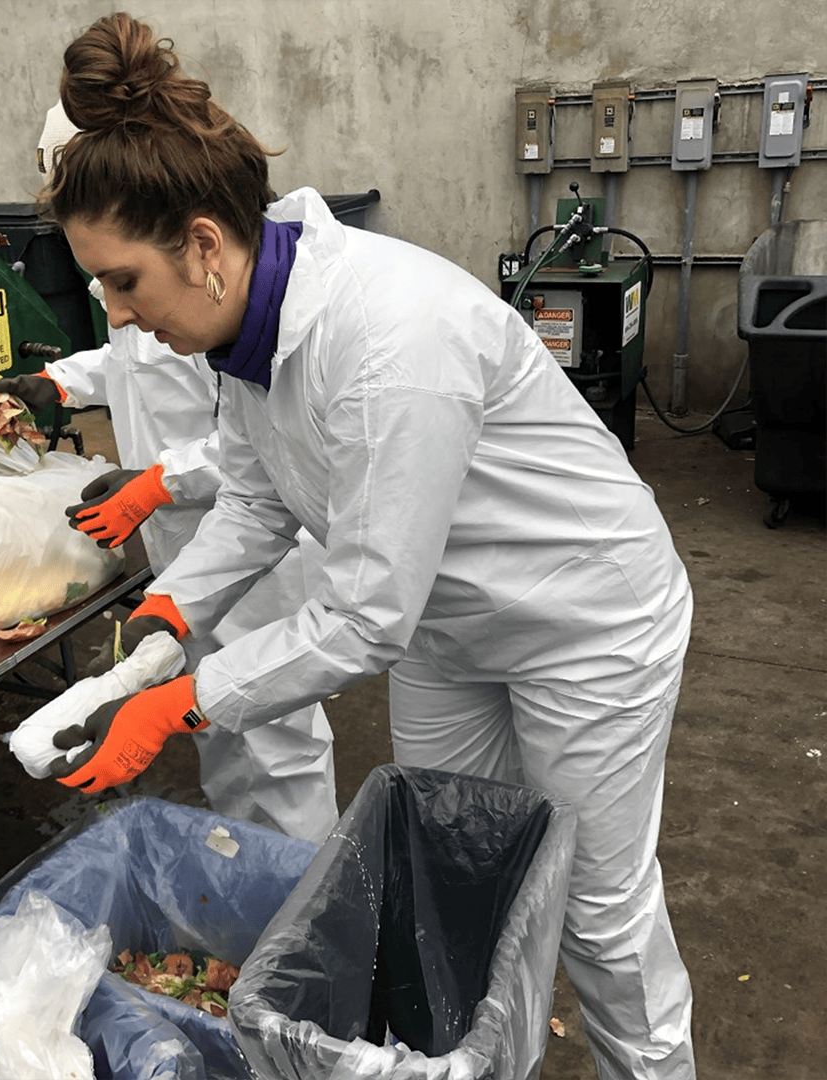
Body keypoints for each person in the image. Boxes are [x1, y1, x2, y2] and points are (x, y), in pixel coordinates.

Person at [36, 12, 696, 1079]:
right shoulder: (245, 325)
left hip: (584, 618)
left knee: (595, 912)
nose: (116, 316)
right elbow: (256, 502)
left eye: (122, 282)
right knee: (437, 877)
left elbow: (362, 612)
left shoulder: (390, 339)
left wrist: (182, 701)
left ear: (203, 245)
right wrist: (170, 614)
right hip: (447, 626)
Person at [0, 104, 339, 848]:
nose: (116, 306)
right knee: (215, 731)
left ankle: (304, 890)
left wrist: (155, 482)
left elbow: (253, 447)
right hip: (193, 547)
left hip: (253, 550)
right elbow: (133, 368)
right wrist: (58, 382)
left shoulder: (220, 287)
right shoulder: (149, 281)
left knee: (277, 744)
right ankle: (246, 872)